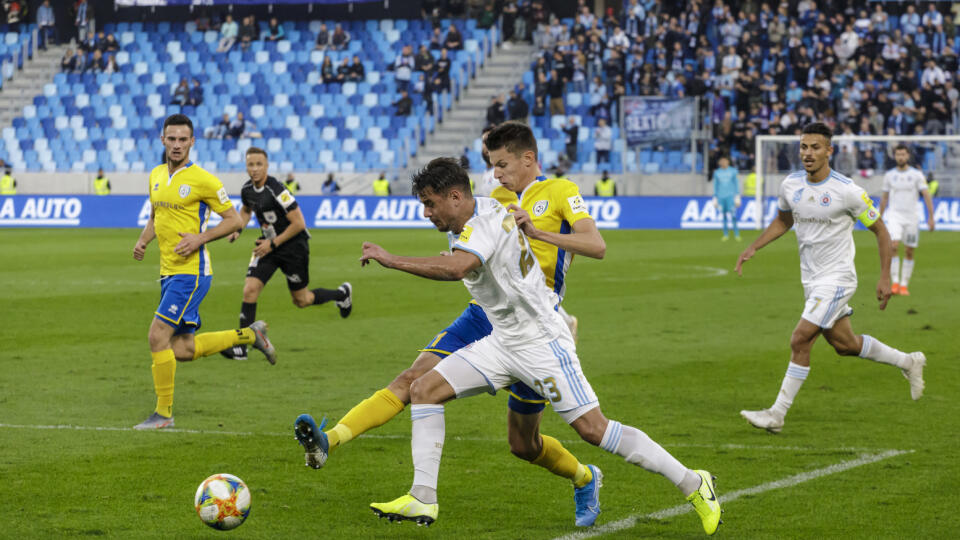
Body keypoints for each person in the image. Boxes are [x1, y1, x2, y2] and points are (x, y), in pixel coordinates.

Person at [343, 158, 722, 534]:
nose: (426, 212)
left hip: (540, 341)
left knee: (594, 430)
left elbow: (458, 268)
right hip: (501, 340)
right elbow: (477, 258)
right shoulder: (487, 207)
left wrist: (390, 259)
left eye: (430, 203)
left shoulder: (483, 220)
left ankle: (693, 482)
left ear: (455, 196)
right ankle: (422, 496)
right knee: (424, 389)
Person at [293, 122, 617, 528]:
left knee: (523, 443)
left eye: (499, 161)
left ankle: (585, 476)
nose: (495, 171)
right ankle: (331, 440)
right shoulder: (489, 197)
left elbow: (596, 245)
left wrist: (538, 235)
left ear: (524, 157)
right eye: (490, 163)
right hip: (484, 315)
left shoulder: (561, 192)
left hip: (535, 323)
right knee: (413, 379)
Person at [735, 122, 927, 434]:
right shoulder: (791, 186)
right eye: (803, 147)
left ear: (829, 151)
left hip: (837, 279)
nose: (807, 153)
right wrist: (753, 247)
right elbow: (783, 221)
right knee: (845, 344)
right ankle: (909, 362)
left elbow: (881, 231)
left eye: (815, 147)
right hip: (811, 280)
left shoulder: (847, 191)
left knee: (800, 338)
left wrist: (884, 277)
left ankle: (777, 414)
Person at [131, 114, 277, 430]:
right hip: (168, 272)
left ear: (192, 142)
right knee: (181, 349)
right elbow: (156, 216)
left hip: (192, 273)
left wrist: (200, 237)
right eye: (172, 139)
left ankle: (164, 415)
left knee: (157, 335)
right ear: (163, 140)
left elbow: (234, 220)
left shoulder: (204, 180)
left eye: (183, 139)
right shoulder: (156, 175)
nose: (177, 145)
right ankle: (251, 335)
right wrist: (143, 242)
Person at [220, 148, 352, 361]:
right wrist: (238, 229)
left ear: (267, 166)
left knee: (302, 299)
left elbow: (299, 223)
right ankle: (242, 347)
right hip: (268, 246)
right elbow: (245, 211)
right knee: (249, 290)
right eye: (250, 165)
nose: (254, 169)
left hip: (293, 248)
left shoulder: (277, 190)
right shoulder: (247, 190)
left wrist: (272, 244)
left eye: (258, 164)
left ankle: (341, 294)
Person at [879, 145, 935, 296]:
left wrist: (931, 217)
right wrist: (879, 218)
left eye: (903, 154)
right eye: (898, 155)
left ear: (908, 156)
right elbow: (884, 198)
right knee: (894, 246)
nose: (900, 157)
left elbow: (926, 195)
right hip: (894, 216)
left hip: (912, 217)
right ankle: (895, 282)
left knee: (909, 251)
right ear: (895, 156)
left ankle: (904, 284)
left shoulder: (916, 174)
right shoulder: (889, 175)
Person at [712, 156, 741, 241]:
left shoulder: (733, 171)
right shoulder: (717, 172)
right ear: (720, 163)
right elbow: (715, 185)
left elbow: (736, 183)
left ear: (728, 162)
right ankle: (725, 234)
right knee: (724, 216)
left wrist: (737, 195)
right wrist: (715, 196)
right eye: (722, 162)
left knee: (733, 215)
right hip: (721, 197)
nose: (723, 163)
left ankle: (736, 234)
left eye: (725, 161)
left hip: (731, 196)